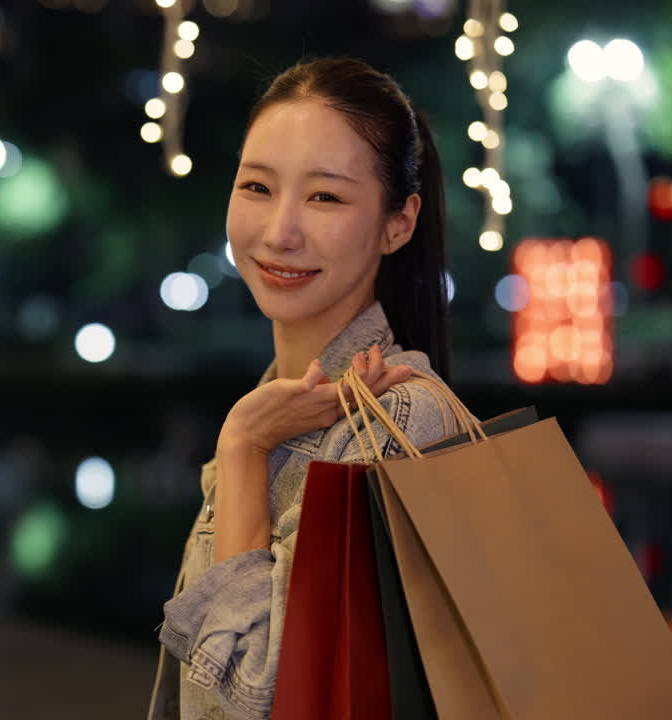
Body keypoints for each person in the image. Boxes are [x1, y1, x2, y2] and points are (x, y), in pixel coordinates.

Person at [147, 57, 457, 720]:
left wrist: (242, 447)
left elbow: (241, 705)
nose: (280, 232)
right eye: (257, 187)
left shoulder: (399, 416)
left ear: (398, 222)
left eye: (325, 197)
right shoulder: (279, 400)